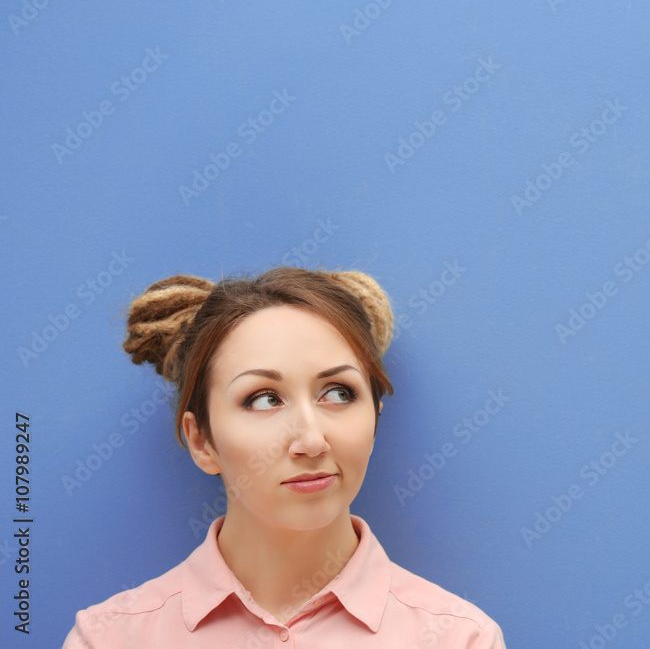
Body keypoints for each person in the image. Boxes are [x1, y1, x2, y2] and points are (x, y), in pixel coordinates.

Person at [63, 267, 505, 648]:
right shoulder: (108, 639)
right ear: (201, 442)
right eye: (263, 399)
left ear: (375, 418)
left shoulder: (460, 638)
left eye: (339, 393)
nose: (311, 440)